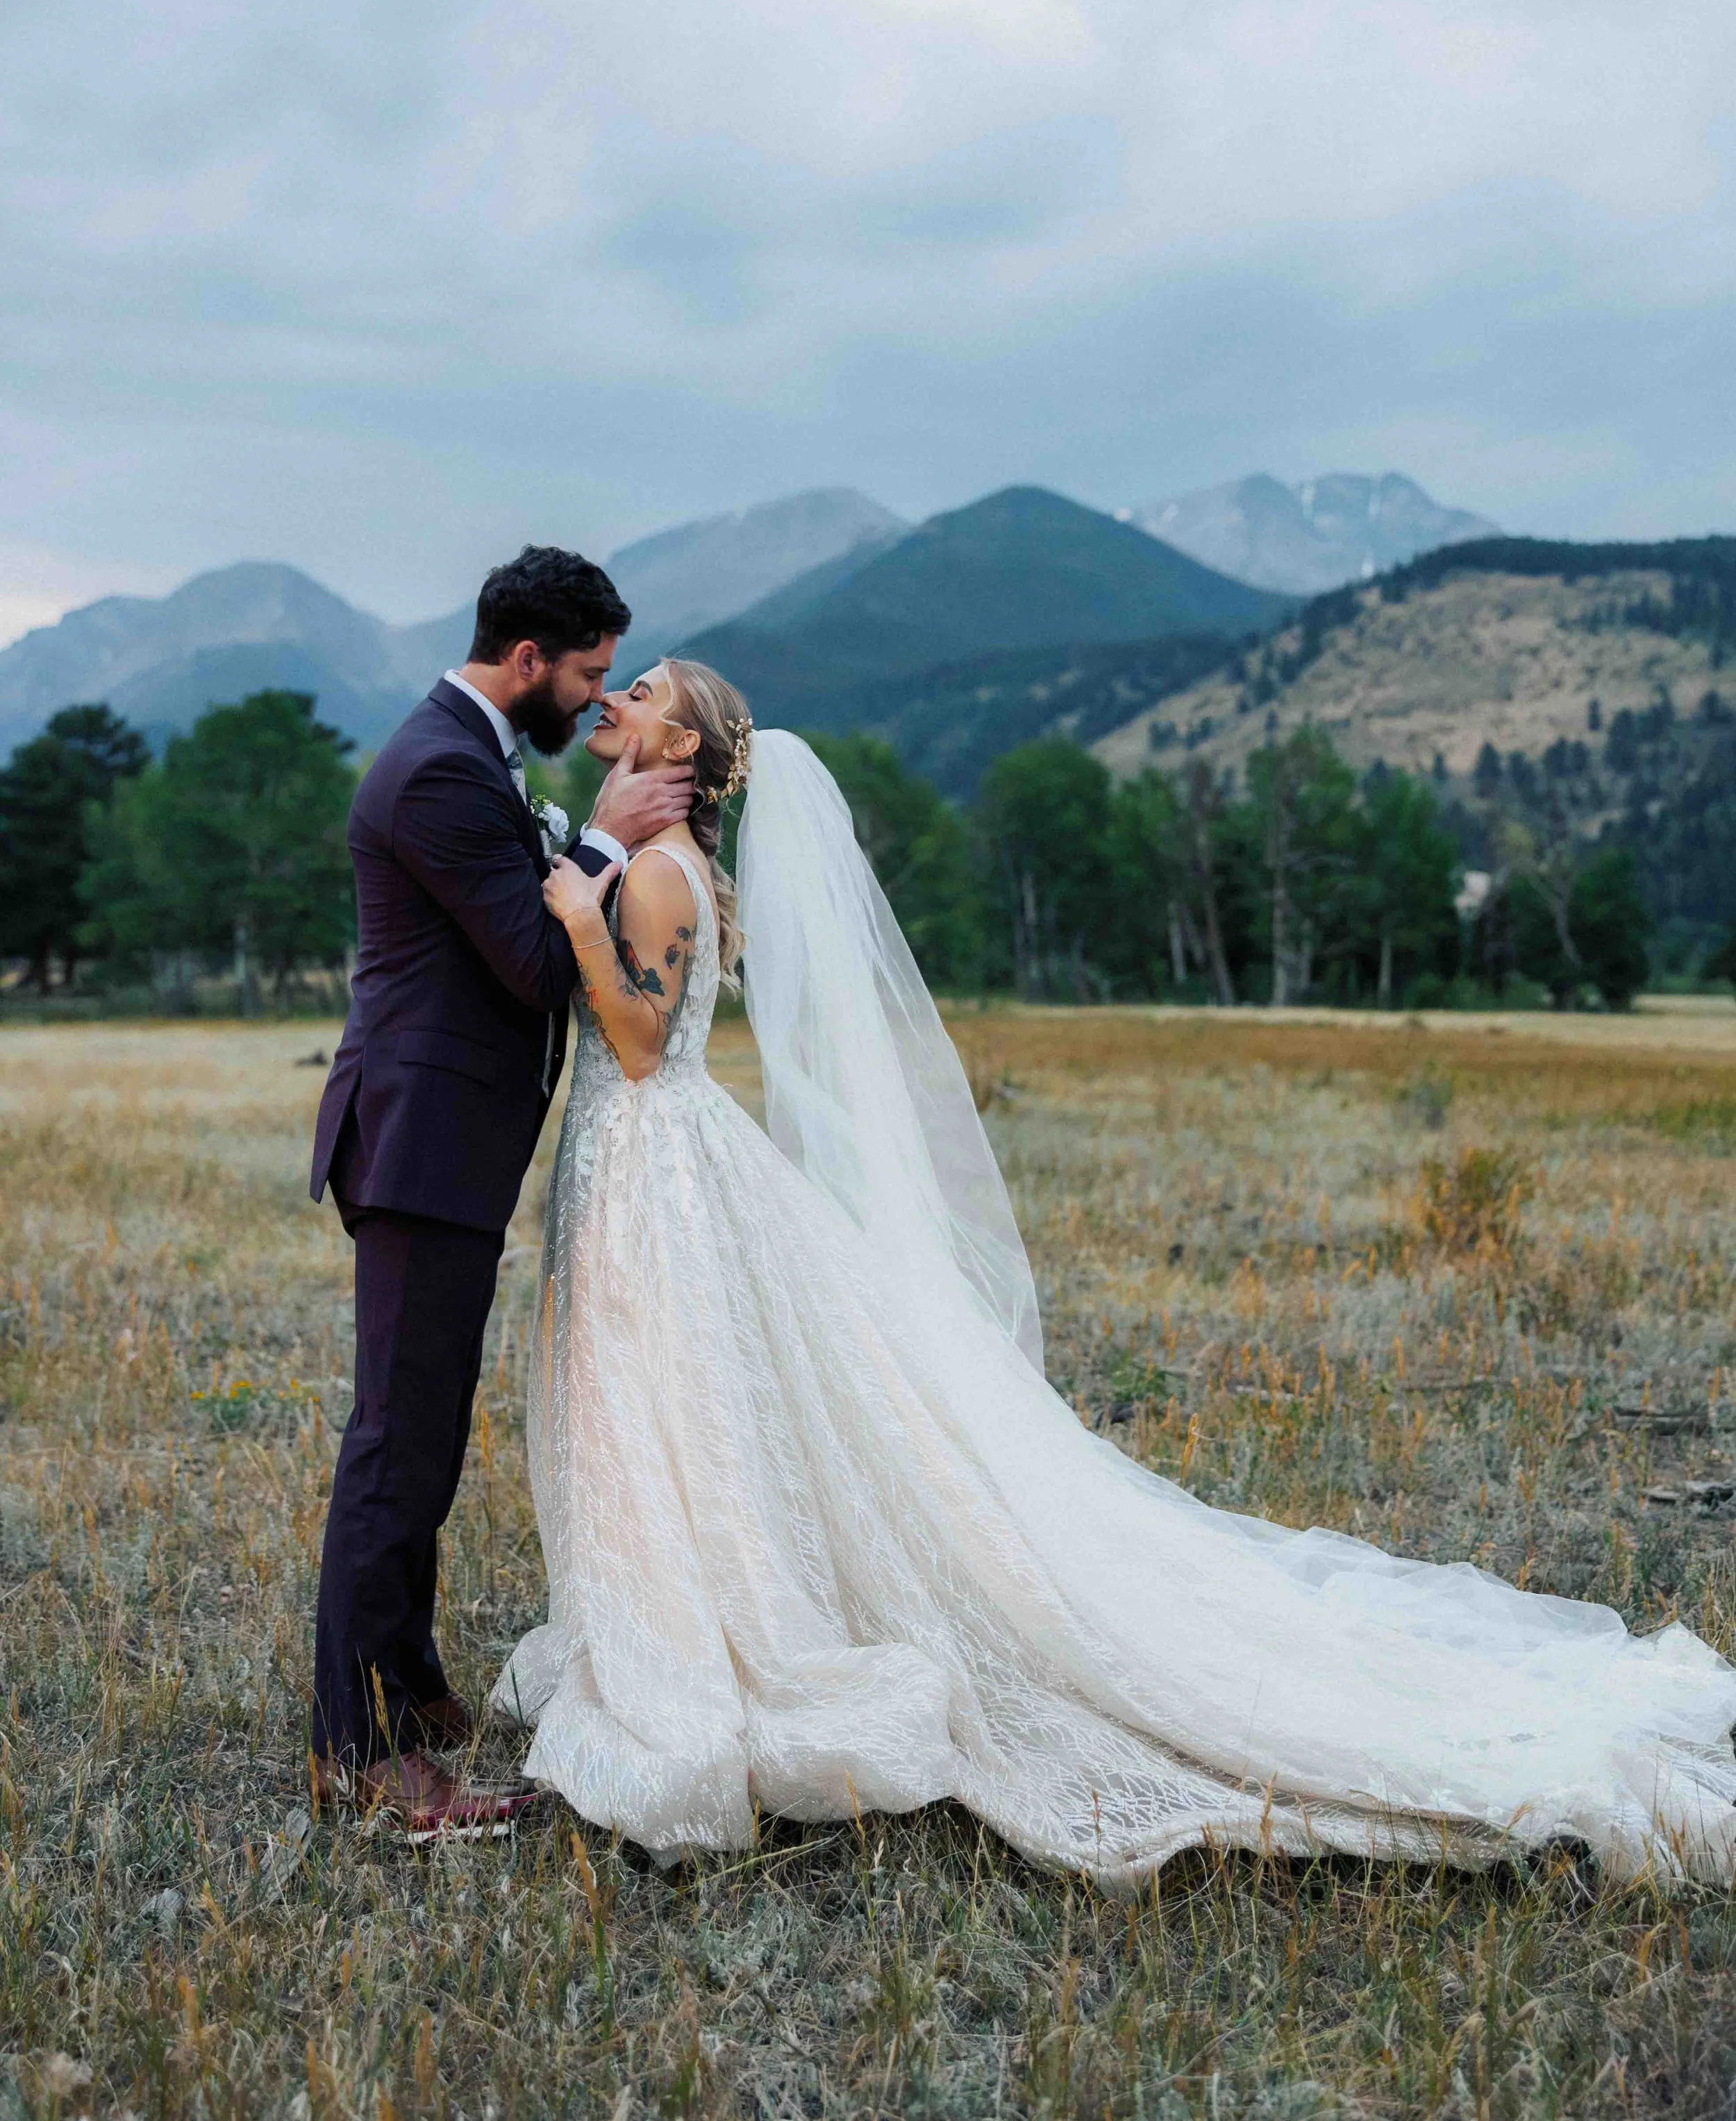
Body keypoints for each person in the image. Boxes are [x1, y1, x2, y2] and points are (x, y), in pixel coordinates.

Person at [496, 658, 1736, 1886]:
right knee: (665, 1411)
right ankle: (678, 1609)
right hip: (649, 1164)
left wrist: (571, 913)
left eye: (645, 691)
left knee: (655, 1405)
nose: (618, 701)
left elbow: (646, 1044)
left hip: (657, 1160)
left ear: (687, 747)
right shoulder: (665, 862)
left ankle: (701, 1642)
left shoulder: (653, 873)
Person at [307, 544, 694, 1838]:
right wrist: (599, 839)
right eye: (586, 672)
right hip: (420, 1148)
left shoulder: (472, 756)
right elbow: (535, 964)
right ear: (525, 658)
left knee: (425, 1434)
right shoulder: (438, 773)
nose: (595, 701)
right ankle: (363, 1754)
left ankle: (408, 1689)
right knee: (395, 1450)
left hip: (451, 1149)